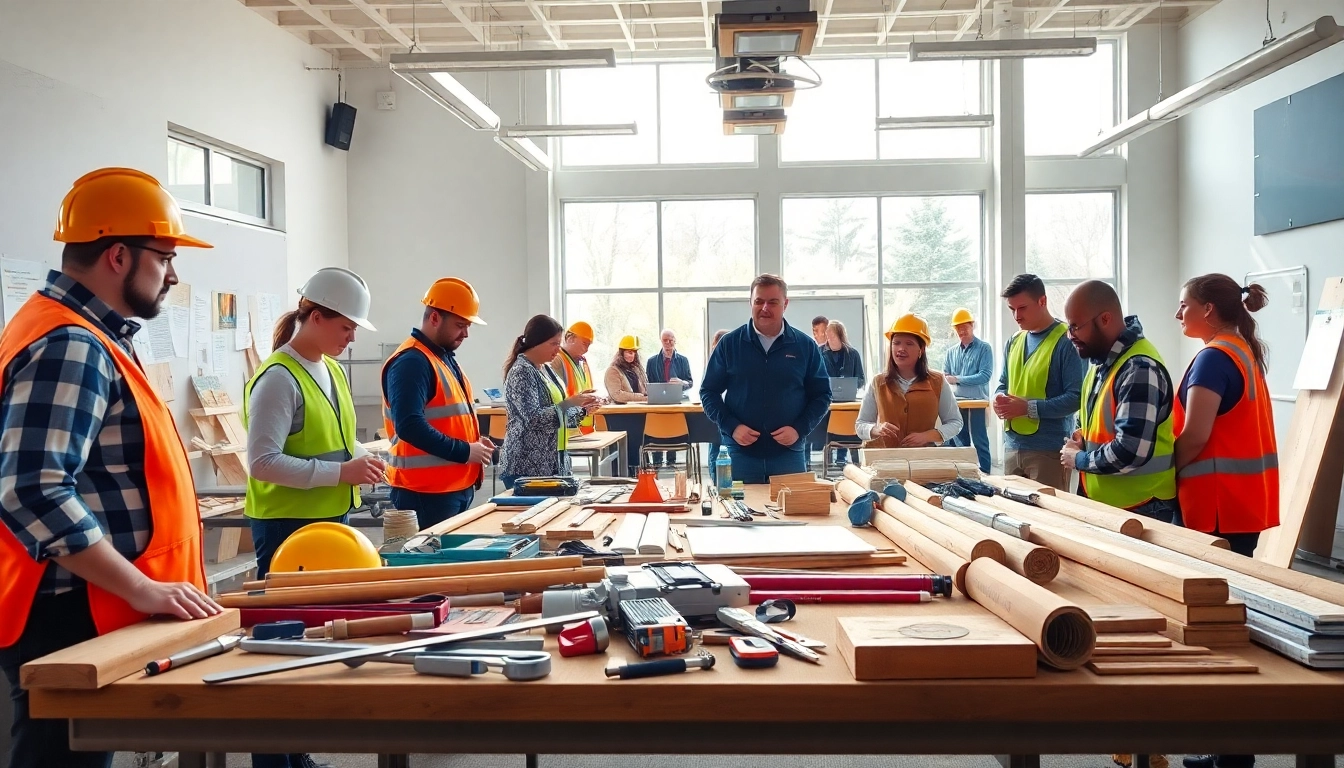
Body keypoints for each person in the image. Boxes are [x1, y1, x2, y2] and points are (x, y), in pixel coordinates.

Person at [0, 168, 222, 768]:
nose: (173, 274)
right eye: (164, 257)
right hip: (71, 611)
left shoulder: (90, 334)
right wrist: (142, 587)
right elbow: (33, 489)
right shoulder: (70, 344)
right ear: (118, 256)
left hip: (89, 603)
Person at [244, 269, 374, 768]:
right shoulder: (279, 377)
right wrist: (342, 471)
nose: (352, 337)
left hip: (326, 524)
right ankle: (273, 761)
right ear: (315, 317)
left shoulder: (330, 370)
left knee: (310, 649)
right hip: (286, 531)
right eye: (346, 327)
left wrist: (366, 457)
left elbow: (338, 438)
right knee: (280, 654)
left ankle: (295, 754)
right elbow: (263, 462)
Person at [1173, 275, 1278, 556]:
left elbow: (1195, 436)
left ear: (1208, 309)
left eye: (1184, 305)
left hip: (1214, 505)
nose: (1178, 314)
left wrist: (1164, 471)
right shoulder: (1242, 350)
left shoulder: (1213, 358)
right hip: (1240, 503)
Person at [1058, 281, 1178, 523]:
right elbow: (1096, 423)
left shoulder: (1139, 368)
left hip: (1142, 507)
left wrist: (1079, 459)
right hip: (1110, 504)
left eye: (1076, 327)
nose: (1070, 336)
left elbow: (1130, 451)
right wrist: (1081, 438)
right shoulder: (1100, 363)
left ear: (1105, 319)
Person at [379, 278, 494, 530]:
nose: (465, 333)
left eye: (468, 326)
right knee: (431, 556)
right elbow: (409, 426)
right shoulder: (412, 362)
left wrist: (474, 443)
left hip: (449, 488)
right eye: (460, 325)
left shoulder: (441, 358)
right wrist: (465, 451)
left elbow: (446, 417)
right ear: (434, 318)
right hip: (425, 493)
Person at [701, 274, 830, 483]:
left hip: (789, 453)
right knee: (737, 505)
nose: (764, 308)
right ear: (750, 303)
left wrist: (799, 429)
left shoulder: (805, 346)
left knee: (792, 505)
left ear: (785, 304)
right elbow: (708, 392)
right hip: (739, 453)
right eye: (759, 301)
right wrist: (732, 427)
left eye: (773, 302)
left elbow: (822, 395)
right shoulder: (729, 344)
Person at [994, 274, 1085, 490]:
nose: (1017, 316)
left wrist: (1027, 408)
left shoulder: (1067, 341)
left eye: (1022, 308)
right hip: (1012, 447)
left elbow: (1076, 398)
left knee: (1049, 510)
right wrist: (999, 398)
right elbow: (1003, 382)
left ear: (1042, 301)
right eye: (1012, 309)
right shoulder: (1014, 341)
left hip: (1049, 451)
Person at [499, 315, 600, 489]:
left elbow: (558, 411)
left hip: (553, 460)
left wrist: (583, 409)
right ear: (536, 342)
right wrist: (570, 403)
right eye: (553, 343)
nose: (558, 349)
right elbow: (534, 419)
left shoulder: (545, 368)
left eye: (559, 343)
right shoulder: (522, 371)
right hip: (527, 465)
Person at [857, 314, 963, 449]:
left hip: (923, 457)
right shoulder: (878, 382)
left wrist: (928, 436)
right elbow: (860, 425)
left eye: (909, 343)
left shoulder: (938, 381)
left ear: (921, 350)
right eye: (896, 343)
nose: (901, 349)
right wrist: (876, 429)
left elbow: (955, 422)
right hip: (885, 457)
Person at [943, 307, 994, 473]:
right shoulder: (951, 352)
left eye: (964, 327)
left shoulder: (984, 348)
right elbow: (946, 375)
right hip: (957, 403)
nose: (961, 331)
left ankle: (985, 473)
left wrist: (957, 379)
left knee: (979, 439)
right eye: (958, 328)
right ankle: (963, 474)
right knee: (959, 440)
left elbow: (984, 376)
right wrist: (952, 379)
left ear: (973, 325)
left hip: (977, 402)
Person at [646, 329, 693, 467]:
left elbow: (690, 382)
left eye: (671, 340)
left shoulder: (683, 360)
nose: (668, 343)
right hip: (657, 404)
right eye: (665, 340)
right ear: (661, 341)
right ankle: (657, 462)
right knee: (657, 431)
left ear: (675, 341)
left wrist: (681, 382)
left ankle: (672, 461)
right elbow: (648, 382)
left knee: (673, 430)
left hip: (676, 402)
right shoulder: (652, 361)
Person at [821, 320, 864, 466]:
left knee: (848, 423)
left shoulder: (853, 354)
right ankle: (828, 458)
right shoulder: (820, 352)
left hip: (847, 401)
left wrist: (850, 384)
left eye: (832, 336)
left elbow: (861, 379)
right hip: (826, 400)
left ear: (841, 335)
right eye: (827, 336)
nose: (829, 339)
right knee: (826, 427)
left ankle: (842, 458)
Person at [552, 320, 597, 437]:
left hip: (584, 429)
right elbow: (554, 397)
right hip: (567, 429)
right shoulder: (557, 360)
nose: (586, 349)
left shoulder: (582, 362)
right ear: (571, 338)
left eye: (589, 345)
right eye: (584, 344)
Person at [707, 329, 729, 482]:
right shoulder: (712, 364)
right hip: (717, 413)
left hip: (730, 414)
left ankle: (718, 480)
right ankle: (716, 480)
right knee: (716, 447)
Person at [604, 335, 649, 404]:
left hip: (638, 408)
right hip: (620, 410)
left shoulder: (635, 370)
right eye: (630, 352)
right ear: (622, 353)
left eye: (634, 352)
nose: (632, 355)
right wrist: (642, 397)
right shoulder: (612, 371)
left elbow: (642, 391)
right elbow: (617, 395)